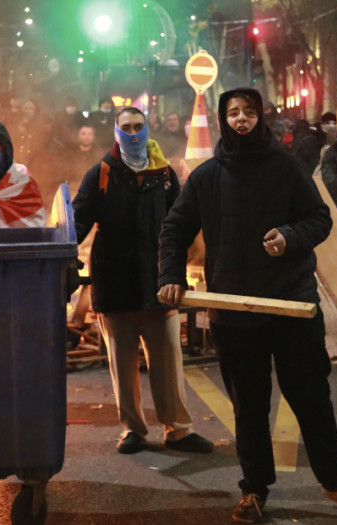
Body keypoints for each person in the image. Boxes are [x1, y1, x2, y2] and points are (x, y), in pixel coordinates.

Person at [157, 88, 337, 523]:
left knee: (312, 400)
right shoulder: (206, 177)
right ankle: (254, 491)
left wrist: (289, 237)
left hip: (291, 306)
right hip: (235, 315)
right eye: (233, 113)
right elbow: (174, 229)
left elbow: (320, 219)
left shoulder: (289, 169)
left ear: (261, 117)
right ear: (223, 119)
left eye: (248, 112)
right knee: (249, 408)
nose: (241, 119)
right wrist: (171, 278)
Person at [72, 106, 214, 456]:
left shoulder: (163, 173)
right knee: (122, 363)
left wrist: (176, 274)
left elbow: (178, 228)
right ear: (116, 132)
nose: (133, 133)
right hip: (115, 283)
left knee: (167, 361)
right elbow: (76, 224)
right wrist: (59, 257)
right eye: (127, 127)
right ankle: (133, 429)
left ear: (147, 129)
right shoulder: (101, 174)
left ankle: (178, 430)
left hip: (158, 283)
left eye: (139, 126)